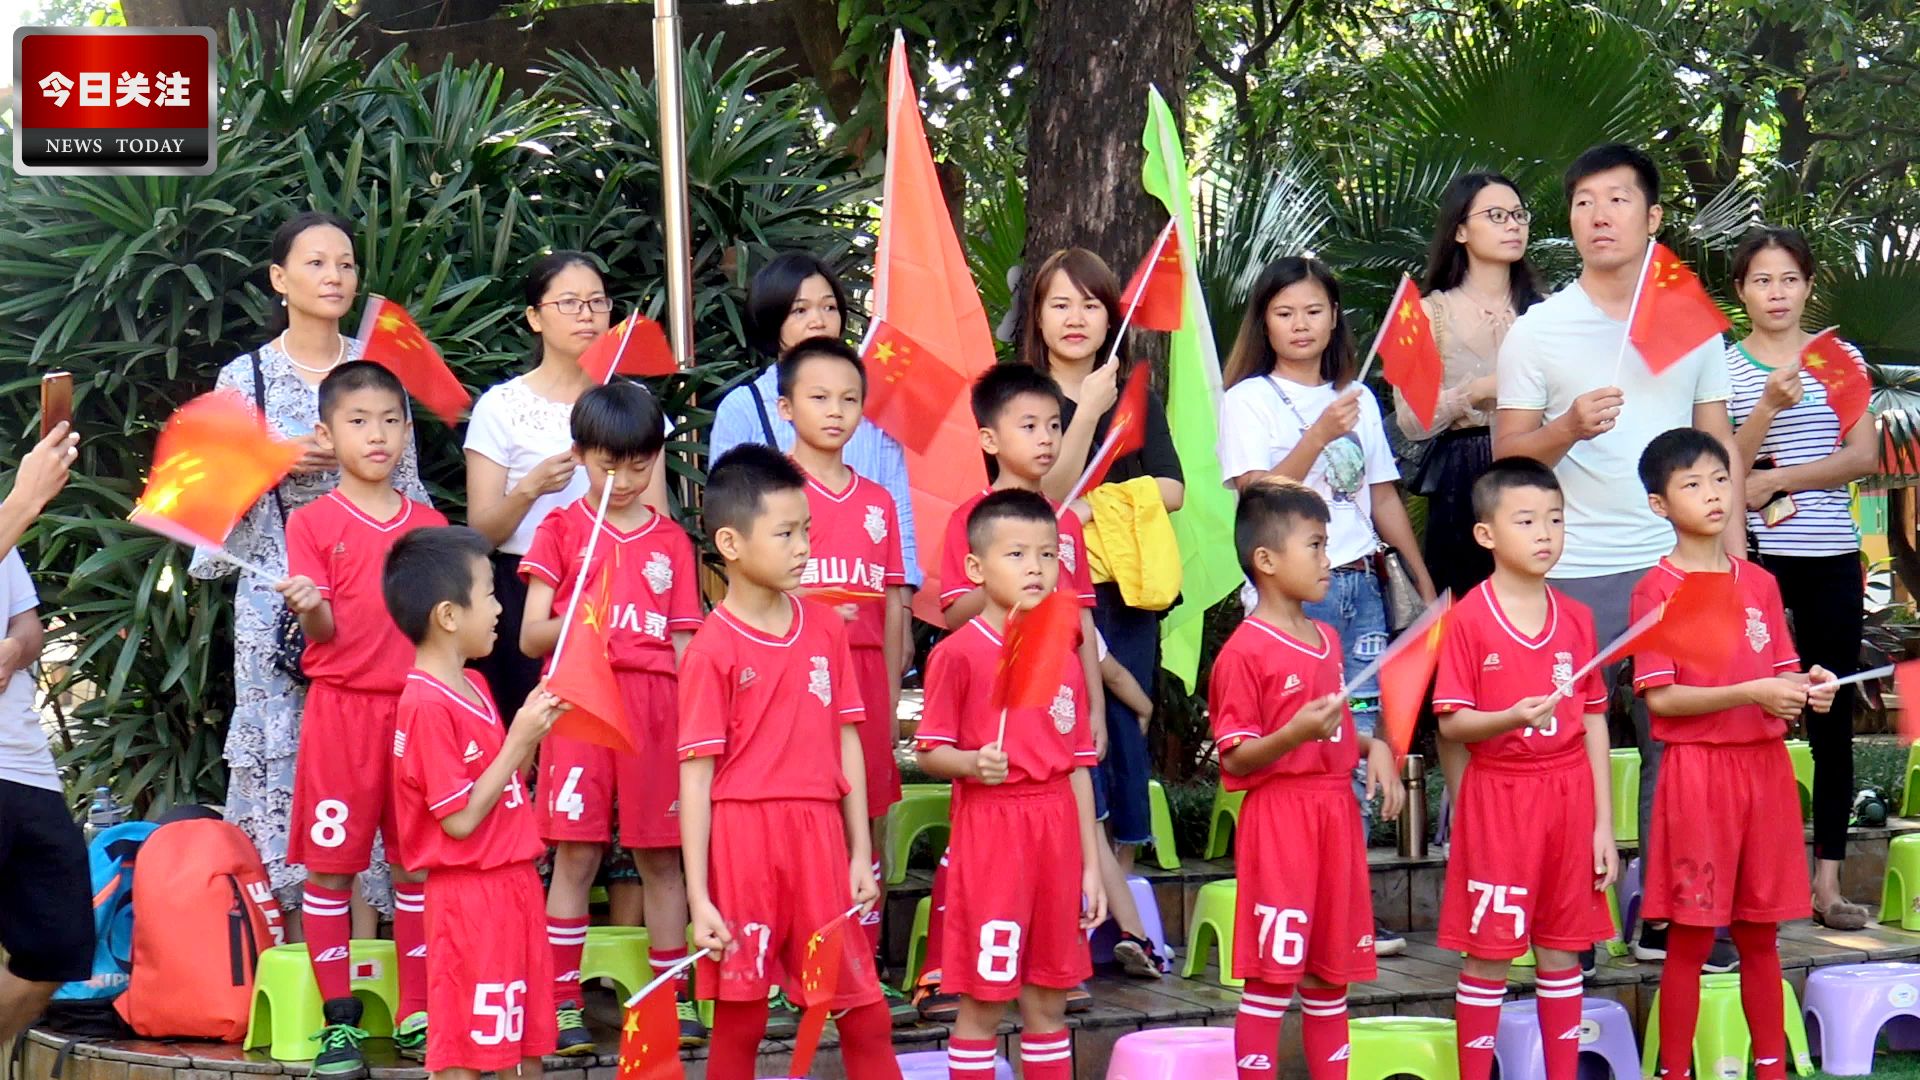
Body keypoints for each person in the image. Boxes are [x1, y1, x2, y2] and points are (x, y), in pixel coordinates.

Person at [1492, 144, 1744, 966]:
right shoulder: (1539, 328)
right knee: (1566, 748)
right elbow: (1507, 464)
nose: (1600, 216)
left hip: (1677, 568)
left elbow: (1716, 453)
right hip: (1567, 571)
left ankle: (1679, 913)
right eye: (1585, 202)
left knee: (1687, 748)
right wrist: (1568, 427)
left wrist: (1731, 563)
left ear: (1653, 217)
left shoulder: (1692, 321)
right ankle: (1576, 916)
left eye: (1619, 200)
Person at [191, 211, 431, 919]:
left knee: (374, 766)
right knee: (290, 766)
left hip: (374, 604)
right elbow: (206, 512)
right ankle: (294, 950)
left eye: (346, 264)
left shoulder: (379, 371)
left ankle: (369, 954)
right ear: (279, 279)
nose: (334, 276)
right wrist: (277, 459)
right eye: (317, 263)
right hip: (280, 600)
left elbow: (413, 496)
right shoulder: (246, 377)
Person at [1217, 256, 1434, 957]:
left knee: (1362, 738)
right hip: (1290, 598)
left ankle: (1352, 905)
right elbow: (1257, 498)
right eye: (1285, 313)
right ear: (1265, 322)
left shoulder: (1360, 398)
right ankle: (1299, 907)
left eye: (1314, 310)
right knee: (1302, 743)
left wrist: (1422, 583)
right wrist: (1317, 436)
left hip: (1362, 583)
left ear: (1334, 316)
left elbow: (1380, 498)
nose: (1301, 324)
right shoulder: (1249, 398)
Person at [676, 446, 900, 1080]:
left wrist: (860, 850)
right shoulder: (711, 648)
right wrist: (700, 898)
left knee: (864, 1011)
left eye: (806, 529)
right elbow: (695, 778)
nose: (803, 545)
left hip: (822, 839)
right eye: (785, 532)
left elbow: (848, 740)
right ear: (731, 543)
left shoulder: (827, 628)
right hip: (744, 841)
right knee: (743, 1017)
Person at [1630, 429, 1836, 1080]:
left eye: (1721, 478)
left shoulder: (1762, 584)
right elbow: (1662, 701)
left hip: (1765, 774)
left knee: (1760, 933)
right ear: (1660, 505)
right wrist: (1753, 690)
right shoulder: (1654, 591)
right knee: (1692, 935)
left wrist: (1812, 689)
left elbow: (1784, 675)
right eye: (1691, 484)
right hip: (1697, 777)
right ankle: (1674, 1072)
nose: (1713, 494)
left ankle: (1771, 1068)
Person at [516, 382, 705, 1049]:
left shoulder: (673, 543)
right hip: (579, 705)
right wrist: (577, 619)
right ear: (580, 455)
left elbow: (687, 647)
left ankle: (667, 998)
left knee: (662, 858)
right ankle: (561, 1002)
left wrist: (698, 724)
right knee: (576, 854)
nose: (622, 479)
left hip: (657, 711)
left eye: (638, 464)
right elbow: (529, 636)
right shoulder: (561, 528)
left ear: (655, 457)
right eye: (606, 463)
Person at [276, 362, 449, 1072]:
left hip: (417, 715)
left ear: (407, 431)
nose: (375, 435)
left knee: (416, 869)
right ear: (326, 432)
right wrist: (310, 604)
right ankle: (338, 1021)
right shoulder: (312, 523)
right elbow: (319, 633)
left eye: (389, 420)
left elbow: (450, 635)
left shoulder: (433, 527)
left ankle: (418, 1011)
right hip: (340, 716)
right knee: (331, 871)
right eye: (357, 421)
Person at [1429, 459, 1617, 1080]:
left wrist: (1601, 827)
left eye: (1556, 520)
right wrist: (1508, 717)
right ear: (1487, 535)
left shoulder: (1578, 618)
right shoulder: (1466, 619)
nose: (1545, 534)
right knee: (1488, 955)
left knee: (1562, 951)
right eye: (1528, 520)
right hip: (1499, 798)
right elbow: (1452, 724)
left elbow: (1592, 718)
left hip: (1569, 798)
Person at [1209, 480, 1403, 1080]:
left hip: (1335, 818)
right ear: (1265, 561)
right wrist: (1294, 733)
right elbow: (1236, 759)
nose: (1328, 559)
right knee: (1272, 975)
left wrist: (1378, 750)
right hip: (1282, 821)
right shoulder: (1243, 653)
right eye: (1316, 546)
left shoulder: (1327, 639)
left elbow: (1337, 729)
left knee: (1329, 975)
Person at [915, 489, 1106, 1080]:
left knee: (1049, 998)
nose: (1035, 568)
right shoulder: (957, 655)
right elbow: (929, 752)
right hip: (992, 833)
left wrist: (1091, 868)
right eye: (1017, 554)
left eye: (1048, 555)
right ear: (976, 568)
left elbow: (1076, 764)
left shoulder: (1065, 654)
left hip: (1056, 831)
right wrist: (972, 764)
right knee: (983, 996)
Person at [1724, 225, 1876, 930]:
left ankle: (1828, 883)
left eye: (1788, 278)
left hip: (1833, 559)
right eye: (1761, 279)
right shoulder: (1723, 367)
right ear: (1741, 292)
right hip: (1755, 563)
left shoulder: (1839, 360)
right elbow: (1724, 470)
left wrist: (1778, 477)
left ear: (1809, 285)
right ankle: (1750, 883)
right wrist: (1766, 409)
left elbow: (1862, 457)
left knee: (1829, 714)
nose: (1776, 292)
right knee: (1752, 715)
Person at [1021, 247, 1184, 892]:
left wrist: (1100, 506)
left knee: (1124, 723)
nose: (1076, 318)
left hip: (1126, 588)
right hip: (1052, 591)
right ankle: (1066, 881)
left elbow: (1172, 488)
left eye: (1091, 304)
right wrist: (1084, 411)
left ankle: (1122, 888)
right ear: (1037, 316)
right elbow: (1043, 497)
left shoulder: (1137, 393)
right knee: (1066, 723)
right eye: (1059, 304)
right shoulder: (1026, 398)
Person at [386, 527, 564, 1080]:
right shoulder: (423, 705)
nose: (497, 609)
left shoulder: (478, 685)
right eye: (488, 594)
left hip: (515, 884)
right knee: (467, 1045)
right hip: (469, 898)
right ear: (447, 615)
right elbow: (459, 818)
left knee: (527, 1036)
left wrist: (533, 728)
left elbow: (502, 782)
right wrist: (520, 741)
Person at [464, 252, 670, 725]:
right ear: (534, 317)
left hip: (621, 588)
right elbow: (481, 532)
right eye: (570, 302)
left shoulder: (634, 403)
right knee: (534, 736)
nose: (587, 315)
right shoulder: (501, 406)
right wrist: (530, 490)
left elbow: (658, 517)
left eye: (597, 302)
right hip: (521, 591)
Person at [1397, 172, 1547, 805]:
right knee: (1462, 643)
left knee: (1537, 635)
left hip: (1541, 475)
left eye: (1518, 214)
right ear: (1460, 230)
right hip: (1463, 477)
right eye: (1495, 215)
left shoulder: (1550, 313)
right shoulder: (1426, 312)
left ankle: (1535, 790)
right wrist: (1471, 395)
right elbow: (1408, 420)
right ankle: (1465, 812)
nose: (1512, 224)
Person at [775, 337, 913, 994]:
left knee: (869, 813)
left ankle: (859, 965)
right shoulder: (771, 493)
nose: (836, 411)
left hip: (865, 683)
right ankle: (792, 969)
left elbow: (891, 613)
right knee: (801, 816)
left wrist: (887, 705)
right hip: (790, 687)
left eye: (850, 399)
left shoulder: (878, 503)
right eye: (819, 397)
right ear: (785, 406)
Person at [707, 252, 921, 633]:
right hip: (781, 614)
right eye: (800, 310)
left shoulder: (873, 402)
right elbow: (729, 519)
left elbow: (898, 515)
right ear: (773, 319)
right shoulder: (744, 407)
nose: (818, 321)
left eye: (829, 307)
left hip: (868, 615)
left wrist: (901, 615)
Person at [0, 423, 85, 1047]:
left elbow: (27, 625)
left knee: (57, 945)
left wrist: (12, 651)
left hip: (24, 762)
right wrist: (23, 503)